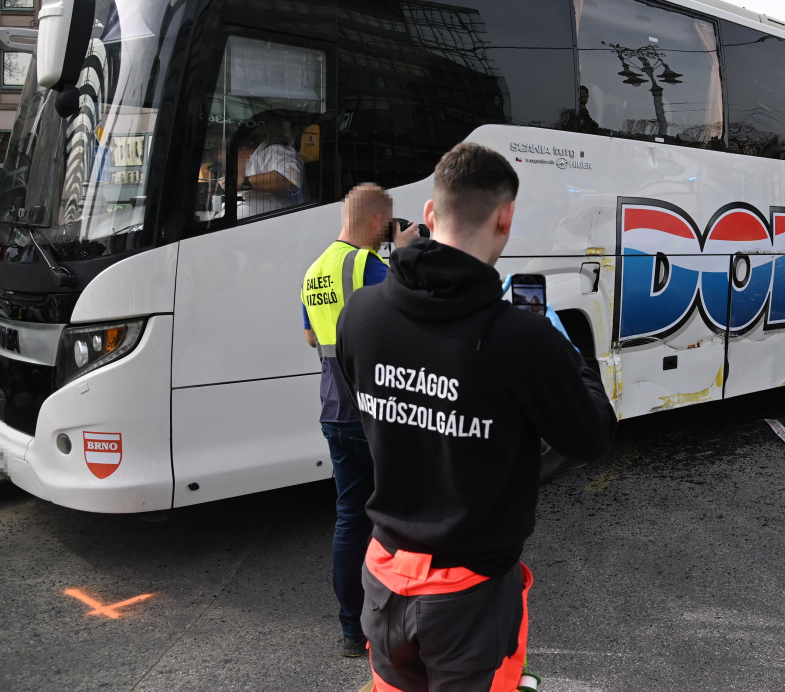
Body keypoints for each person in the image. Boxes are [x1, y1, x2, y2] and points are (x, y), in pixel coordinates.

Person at [336, 142, 616, 691]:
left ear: (430, 214)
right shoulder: (523, 338)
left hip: (384, 577)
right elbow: (593, 437)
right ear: (505, 218)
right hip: (469, 596)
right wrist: (567, 350)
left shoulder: (360, 315)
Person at [302, 183, 421, 658]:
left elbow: (313, 338)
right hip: (373, 413)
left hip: (333, 410)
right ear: (377, 223)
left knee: (350, 519)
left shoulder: (314, 271)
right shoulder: (370, 267)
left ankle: (352, 631)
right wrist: (407, 256)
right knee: (399, 519)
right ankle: (396, 627)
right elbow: (409, 319)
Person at [239, 121, 306, 218]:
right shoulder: (242, 167)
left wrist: (243, 183)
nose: (219, 157)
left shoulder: (275, 152)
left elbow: (291, 181)